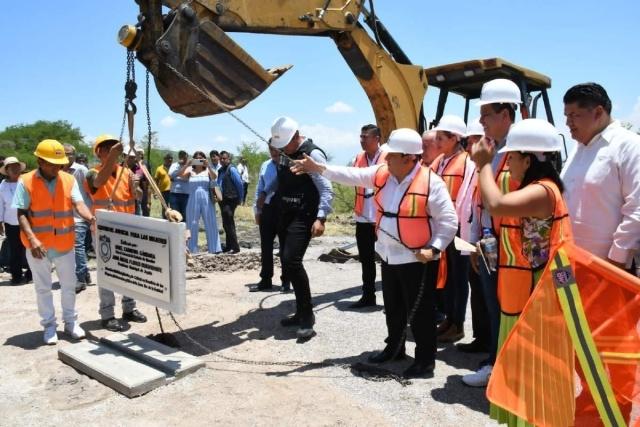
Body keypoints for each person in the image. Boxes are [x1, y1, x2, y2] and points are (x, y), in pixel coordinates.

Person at [293, 128, 457, 377]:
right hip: (389, 256)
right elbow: (352, 175)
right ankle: (395, 348)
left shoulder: (432, 183)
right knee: (393, 307)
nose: (386, 158)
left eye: (392, 155)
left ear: (408, 158)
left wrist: (434, 249)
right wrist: (318, 168)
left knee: (421, 312)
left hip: (417, 259)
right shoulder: (383, 174)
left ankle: (425, 362)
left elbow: (448, 221)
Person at [471, 118, 573, 425]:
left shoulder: (543, 191)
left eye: (511, 157)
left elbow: (496, 203)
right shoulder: (538, 188)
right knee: (522, 368)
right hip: (525, 293)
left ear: (529, 160)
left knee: (534, 371)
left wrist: (483, 165)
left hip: (536, 297)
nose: (507, 163)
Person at [463, 78, 522, 387]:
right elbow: (480, 200)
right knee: (493, 303)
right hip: (489, 241)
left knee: (512, 306)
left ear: (506, 114)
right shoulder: (491, 150)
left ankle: (509, 366)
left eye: (486, 113)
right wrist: (475, 242)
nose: (481, 120)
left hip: (513, 245)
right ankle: (497, 360)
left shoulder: (524, 151)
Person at [13, 139, 95, 344]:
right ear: (40, 161)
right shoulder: (26, 181)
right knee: (43, 287)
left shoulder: (68, 179)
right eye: (51, 163)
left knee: (69, 285)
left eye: (60, 163)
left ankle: (71, 323)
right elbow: (21, 213)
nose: (57, 167)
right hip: (37, 247)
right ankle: (49, 326)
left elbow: (78, 204)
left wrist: (91, 218)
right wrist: (32, 240)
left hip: (64, 243)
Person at [561, 82, 640, 274]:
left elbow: (637, 209)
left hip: (607, 268)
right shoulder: (578, 150)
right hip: (569, 261)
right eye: (566, 116)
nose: (567, 123)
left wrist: (616, 261)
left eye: (573, 115)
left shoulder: (629, 146)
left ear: (598, 112)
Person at [270, 116, 333, 340]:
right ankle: (299, 311)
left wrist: (321, 218)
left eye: (285, 144)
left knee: (292, 260)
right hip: (286, 212)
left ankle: (307, 317)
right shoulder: (285, 151)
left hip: (304, 214)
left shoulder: (313, 154)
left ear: (297, 136)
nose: (282, 149)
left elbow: (326, 188)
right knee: (287, 263)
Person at [86, 135, 148, 331]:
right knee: (107, 272)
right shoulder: (91, 173)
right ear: (99, 152)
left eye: (114, 147)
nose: (113, 150)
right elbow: (98, 183)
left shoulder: (126, 173)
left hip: (126, 229)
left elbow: (136, 197)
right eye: (108, 148)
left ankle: (129, 308)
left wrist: (137, 187)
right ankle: (107, 314)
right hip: (104, 232)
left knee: (129, 270)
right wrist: (114, 157)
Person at [430, 115, 476, 343]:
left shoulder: (467, 162)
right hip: (443, 226)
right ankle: (449, 318)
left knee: (458, 277)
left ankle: (457, 324)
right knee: (446, 277)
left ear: (455, 138)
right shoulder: (439, 161)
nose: (436, 142)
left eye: (441, 137)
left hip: (459, 229)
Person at [456, 118, 490, 354]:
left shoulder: (487, 168)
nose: (469, 147)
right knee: (476, 289)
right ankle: (481, 337)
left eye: (474, 141)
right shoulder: (471, 167)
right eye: (468, 142)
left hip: (483, 241)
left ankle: (488, 340)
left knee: (485, 291)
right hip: (469, 237)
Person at [350, 124, 386, 308]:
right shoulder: (358, 158)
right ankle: (368, 295)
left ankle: (391, 299)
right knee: (366, 259)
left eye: (366, 137)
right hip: (363, 216)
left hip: (383, 217)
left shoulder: (388, 157)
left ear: (377, 138)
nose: (362, 140)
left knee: (388, 259)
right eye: (361, 136)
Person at [250, 142, 290, 292]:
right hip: (267, 209)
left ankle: (286, 280)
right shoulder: (265, 165)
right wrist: (257, 210)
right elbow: (260, 188)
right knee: (265, 246)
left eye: (276, 149)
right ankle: (265, 279)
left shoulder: (288, 164)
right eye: (271, 149)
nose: (273, 152)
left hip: (283, 209)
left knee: (285, 247)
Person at [63, 143, 93, 294]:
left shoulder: (81, 170)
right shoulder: (59, 171)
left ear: (74, 155)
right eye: (63, 153)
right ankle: (85, 273)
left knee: (77, 246)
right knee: (74, 246)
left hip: (81, 214)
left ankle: (80, 278)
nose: (66, 156)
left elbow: (90, 192)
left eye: (69, 153)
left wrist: (89, 213)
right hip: (66, 215)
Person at [181, 151, 221, 254]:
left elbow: (214, 177)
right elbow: (180, 175)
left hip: (206, 197)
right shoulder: (190, 170)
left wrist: (208, 165)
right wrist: (187, 164)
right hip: (193, 197)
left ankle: (214, 248)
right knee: (191, 222)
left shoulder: (208, 169)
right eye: (196, 158)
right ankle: (191, 249)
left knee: (210, 221)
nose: (199, 160)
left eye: (201, 158)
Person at [0, 156, 31, 285]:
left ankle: (31, 274)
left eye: (17, 167)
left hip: (28, 221)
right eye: (12, 167)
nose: (15, 169)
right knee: (14, 249)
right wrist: (0, 222)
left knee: (30, 248)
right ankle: (16, 276)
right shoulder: (2, 186)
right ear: (7, 170)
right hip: (11, 222)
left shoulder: (25, 182)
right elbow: (0, 205)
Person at [217, 150, 244, 254]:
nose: (222, 160)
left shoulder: (232, 169)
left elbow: (240, 185)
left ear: (229, 159)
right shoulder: (220, 170)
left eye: (224, 158)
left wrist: (240, 199)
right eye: (221, 159)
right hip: (222, 200)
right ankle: (228, 246)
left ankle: (235, 247)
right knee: (225, 224)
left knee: (229, 223)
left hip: (231, 199)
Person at [168, 150, 190, 221]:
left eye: (184, 156)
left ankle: (184, 231)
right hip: (174, 194)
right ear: (179, 157)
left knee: (185, 215)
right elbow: (170, 176)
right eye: (181, 156)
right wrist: (182, 176)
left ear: (187, 156)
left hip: (186, 194)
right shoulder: (174, 165)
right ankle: (175, 231)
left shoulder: (191, 166)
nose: (182, 157)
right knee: (175, 214)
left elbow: (188, 177)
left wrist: (177, 177)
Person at [154, 153, 173, 219]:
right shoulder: (159, 168)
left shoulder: (174, 168)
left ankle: (173, 220)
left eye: (171, 158)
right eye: (168, 158)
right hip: (164, 191)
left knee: (173, 207)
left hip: (173, 191)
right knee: (165, 207)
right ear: (164, 159)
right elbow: (156, 180)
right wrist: (155, 191)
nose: (170, 160)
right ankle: (165, 220)